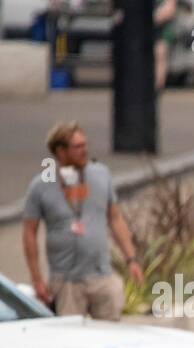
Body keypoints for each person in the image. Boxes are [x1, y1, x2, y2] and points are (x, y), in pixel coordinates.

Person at [21, 122, 144, 321]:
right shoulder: (41, 185)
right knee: (71, 341)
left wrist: (131, 259)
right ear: (60, 151)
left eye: (85, 145)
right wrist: (37, 279)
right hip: (67, 281)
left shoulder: (101, 174)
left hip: (101, 276)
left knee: (110, 336)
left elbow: (115, 218)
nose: (84, 150)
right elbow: (29, 233)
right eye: (77, 147)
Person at [154, 0, 178, 91]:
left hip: (161, 33)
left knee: (160, 56)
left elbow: (169, 10)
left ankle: (157, 87)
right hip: (148, 32)